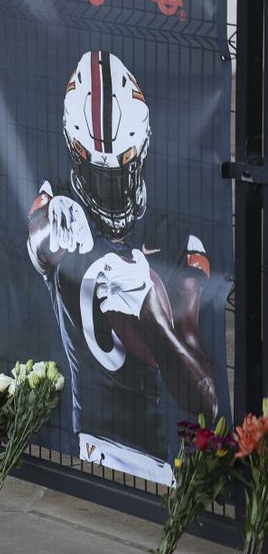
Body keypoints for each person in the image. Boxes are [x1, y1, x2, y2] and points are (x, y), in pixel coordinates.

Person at [27, 50, 219, 486]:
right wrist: (51, 227)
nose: (111, 188)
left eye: (121, 171)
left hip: (158, 457)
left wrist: (152, 315)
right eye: (97, 174)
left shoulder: (176, 236)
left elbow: (204, 394)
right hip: (86, 445)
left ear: (143, 148)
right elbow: (35, 240)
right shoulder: (58, 199)